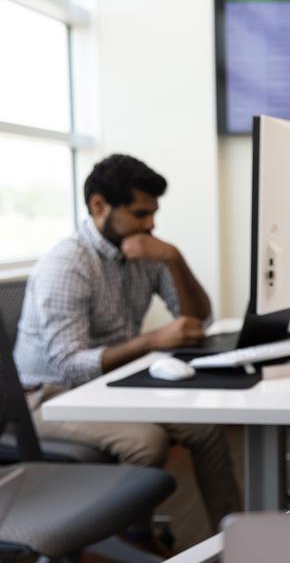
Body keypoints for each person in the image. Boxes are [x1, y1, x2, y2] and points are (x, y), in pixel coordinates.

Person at [14, 154, 241, 532]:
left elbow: (200, 320)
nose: (151, 224)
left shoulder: (146, 251)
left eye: (154, 213)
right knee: (146, 441)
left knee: (206, 426)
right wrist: (153, 340)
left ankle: (237, 536)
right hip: (49, 396)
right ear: (99, 205)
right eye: (140, 214)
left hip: (113, 384)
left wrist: (174, 258)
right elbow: (70, 365)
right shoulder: (67, 265)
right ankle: (131, 539)